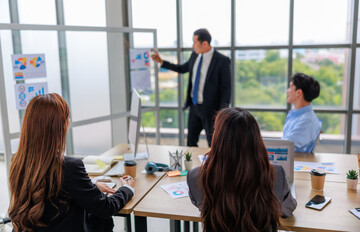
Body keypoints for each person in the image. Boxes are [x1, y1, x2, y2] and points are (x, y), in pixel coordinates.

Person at [8, 93, 134, 232]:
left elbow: (54, 195)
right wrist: (127, 189)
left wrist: (91, 188)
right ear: (61, 125)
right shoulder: (69, 167)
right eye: (67, 117)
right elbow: (106, 208)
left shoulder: (17, 160)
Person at [187, 108, 297, 232]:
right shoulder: (276, 174)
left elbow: (201, 205)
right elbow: (288, 209)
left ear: (218, 139)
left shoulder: (195, 176)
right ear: (256, 140)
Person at [151, 28, 231, 147]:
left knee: (214, 144)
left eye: (195, 42)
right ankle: (193, 166)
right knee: (190, 143)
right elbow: (182, 68)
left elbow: (226, 89)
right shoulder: (195, 55)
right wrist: (162, 62)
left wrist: (222, 113)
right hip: (194, 107)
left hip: (211, 110)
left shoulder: (222, 60)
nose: (193, 45)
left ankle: (213, 166)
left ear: (204, 43)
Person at [282, 72, 321, 153]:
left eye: (290, 87)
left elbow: (285, 146)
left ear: (298, 92)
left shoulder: (307, 121)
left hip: (296, 162)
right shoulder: (293, 114)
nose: (287, 91)